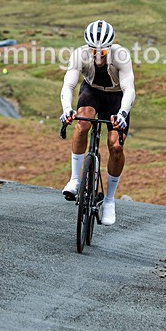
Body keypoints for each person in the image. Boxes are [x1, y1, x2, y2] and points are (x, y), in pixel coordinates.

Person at [59, 20, 136, 226]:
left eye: (102, 51)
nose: (97, 55)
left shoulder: (121, 55)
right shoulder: (80, 54)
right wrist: (67, 109)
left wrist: (122, 113)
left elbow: (129, 89)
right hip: (91, 91)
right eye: (94, 50)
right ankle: (76, 179)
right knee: (82, 122)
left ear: (109, 47)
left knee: (116, 146)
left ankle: (109, 201)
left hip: (116, 97)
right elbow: (68, 85)